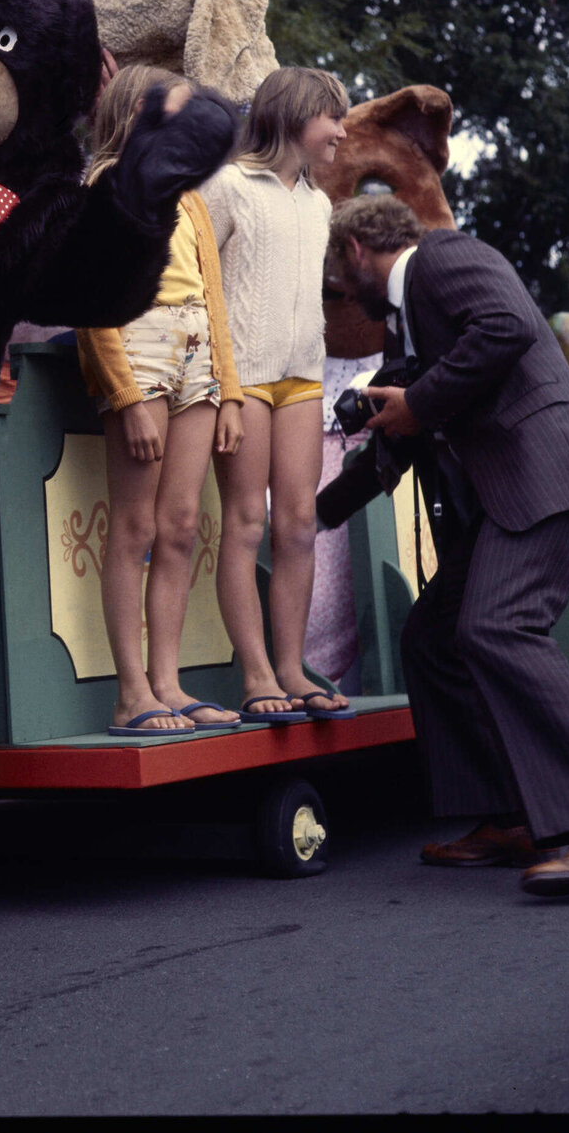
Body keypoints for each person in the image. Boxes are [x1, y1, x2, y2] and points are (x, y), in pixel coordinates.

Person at [319, 193, 569, 896]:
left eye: (333, 267)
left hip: (549, 472)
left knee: (498, 624)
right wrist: (314, 513)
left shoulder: (443, 257)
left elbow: (502, 327)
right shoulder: (406, 324)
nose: (336, 289)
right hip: (521, 487)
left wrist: (417, 400)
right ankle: (512, 814)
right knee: (434, 637)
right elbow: (404, 431)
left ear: (354, 250)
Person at [76, 63, 244, 736]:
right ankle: (131, 691)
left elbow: (213, 296)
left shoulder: (191, 199)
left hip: (196, 351)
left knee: (179, 527)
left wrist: (228, 391)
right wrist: (124, 394)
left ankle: (169, 682)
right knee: (135, 528)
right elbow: (91, 297)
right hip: (137, 347)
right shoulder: (102, 182)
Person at [198, 66, 354, 722]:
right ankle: (256, 673)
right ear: (293, 114)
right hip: (242, 380)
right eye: (331, 117)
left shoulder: (318, 203)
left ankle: (291, 667)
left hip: (301, 379)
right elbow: (200, 287)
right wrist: (222, 389)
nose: (341, 132)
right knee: (245, 523)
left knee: (297, 524)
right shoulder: (227, 184)